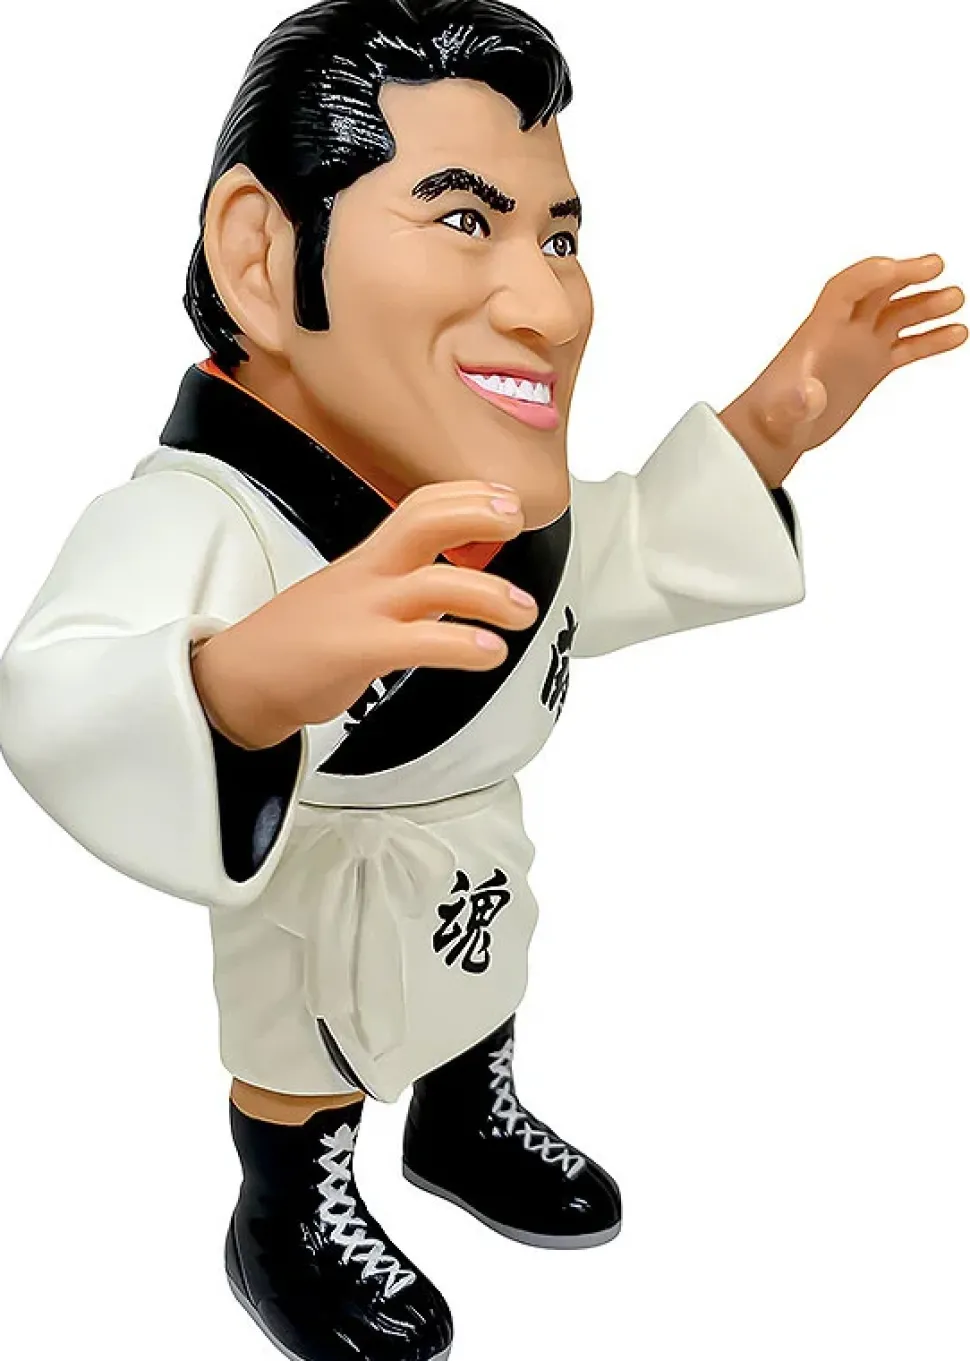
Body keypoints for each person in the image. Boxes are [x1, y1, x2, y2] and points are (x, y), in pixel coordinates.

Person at [0, 3, 964, 1359]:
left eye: (559, 237)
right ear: (263, 253)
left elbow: (622, 554)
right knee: (304, 1041)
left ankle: (461, 1118)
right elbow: (58, 694)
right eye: (465, 221)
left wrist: (770, 427)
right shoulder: (197, 516)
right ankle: (289, 1212)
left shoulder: (486, 485)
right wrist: (254, 673)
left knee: (484, 960)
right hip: (315, 876)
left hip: (474, 837)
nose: (553, 307)